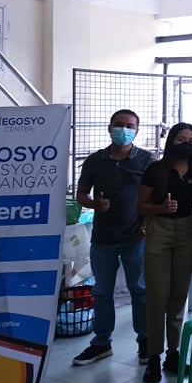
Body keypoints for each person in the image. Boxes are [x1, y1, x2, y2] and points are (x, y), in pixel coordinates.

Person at [72, 109, 152, 366]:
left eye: (130, 126)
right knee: (102, 291)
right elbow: (82, 194)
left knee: (139, 290)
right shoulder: (95, 161)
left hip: (135, 236)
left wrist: (145, 226)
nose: (124, 129)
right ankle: (101, 343)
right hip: (104, 238)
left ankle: (146, 340)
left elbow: (155, 198)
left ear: (137, 130)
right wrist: (95, 204)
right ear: (110, 128)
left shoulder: (147, 161)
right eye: (119, 124)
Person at [137, 122, 192, 383]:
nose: (186, 143)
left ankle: (173, 355)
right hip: (159, 231)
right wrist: (160, 208)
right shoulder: (156, 169)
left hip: (187, 233)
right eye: (180, 139)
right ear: (171, 141)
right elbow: (141, 206)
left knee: (178, 299)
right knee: (157, 297)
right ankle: (153, 357)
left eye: (191, 139)